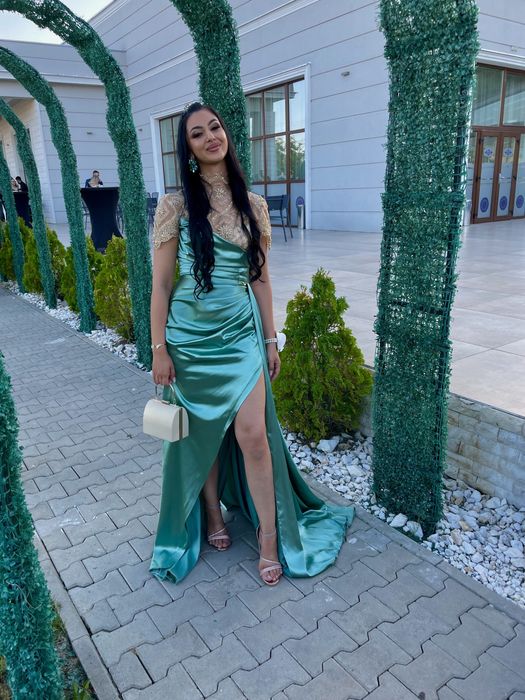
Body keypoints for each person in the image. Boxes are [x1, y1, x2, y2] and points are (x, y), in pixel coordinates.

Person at [149, 102, 353, 587]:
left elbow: (260, 279)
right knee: (200, 434)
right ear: (188, 149)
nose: (210, 137)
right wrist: (159, 348)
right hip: (189, 338)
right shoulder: (175, 206)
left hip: (240, 335)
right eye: (197, 134)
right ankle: (212, 515)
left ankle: (269, 534)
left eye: (215, 127)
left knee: (253, 435)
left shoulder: (253, 205)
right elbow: (161, 284)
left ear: (226, 134)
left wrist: (270, 339)